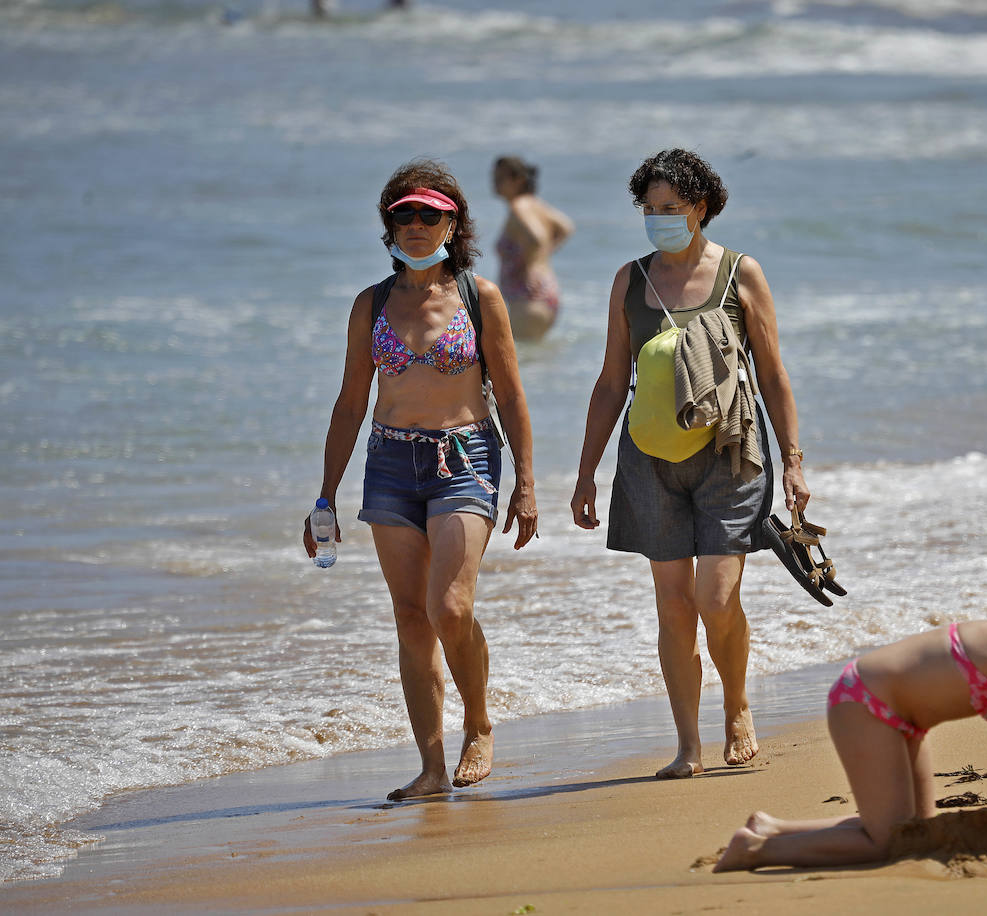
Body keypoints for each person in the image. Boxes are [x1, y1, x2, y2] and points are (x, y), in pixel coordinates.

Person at [570, 149, 810, 779]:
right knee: (673, 606)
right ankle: (688, 745)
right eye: (649, 210)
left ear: (701, 207)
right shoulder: (630, 280)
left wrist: (793, 462)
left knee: (716, 597)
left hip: (729, 455)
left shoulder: (740, 274)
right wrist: (585, 472)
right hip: (649, 460)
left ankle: (736, 706)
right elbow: (608, 383)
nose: (658, 220)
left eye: (670, 210)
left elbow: (774, 375)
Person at [305, 158, 538, 800]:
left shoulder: (479, 297)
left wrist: (526, 484)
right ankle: (432, 768)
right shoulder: (370, 303)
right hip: (389, 464)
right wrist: (324, 496)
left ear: (451, 222)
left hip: (465, 458)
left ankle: (480, 723)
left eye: (428, 214)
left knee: (449, 606)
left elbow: (513, 396)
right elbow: (351, 402)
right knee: (411, 616)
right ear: (389, 223)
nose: (415, 225)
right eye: (403, 214)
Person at [713, 568, 987, 871]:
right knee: (889, 843)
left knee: (917, 832)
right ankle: (754, 851)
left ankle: (773, 827)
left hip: (899, 719)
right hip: (864, 705)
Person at [492, 156, 575, 341]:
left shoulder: (518, 206)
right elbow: (566, 227)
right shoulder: (537, 205)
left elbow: (535, 238)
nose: (494, 183)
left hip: (528, 297)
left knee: (521, 365)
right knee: (535, 364)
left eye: (500, 178)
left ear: (518, 180)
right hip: (546, 293)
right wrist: (542, 257)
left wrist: (530, 265)